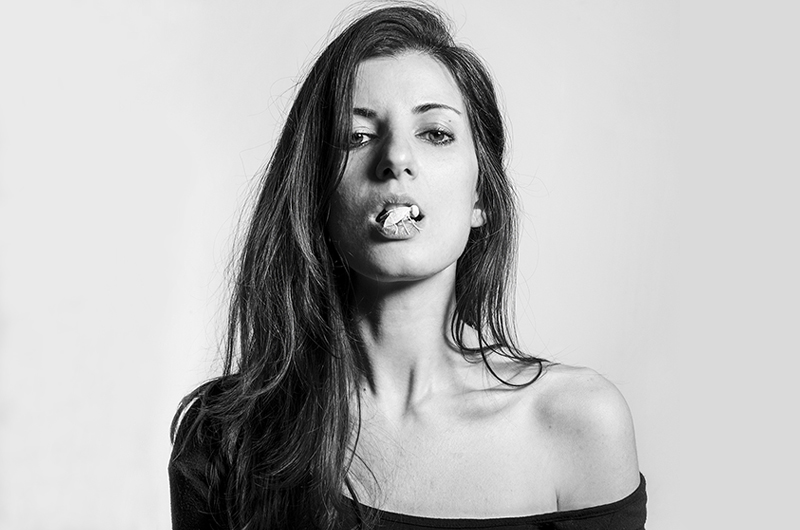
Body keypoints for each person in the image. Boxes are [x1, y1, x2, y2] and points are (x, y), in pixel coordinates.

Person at [168, 4, 646, 530]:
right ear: (316, 194)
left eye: (435, 133)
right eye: (357, 136)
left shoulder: (578, 423)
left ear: (481, 198)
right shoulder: (227, 436)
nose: (396, 158)